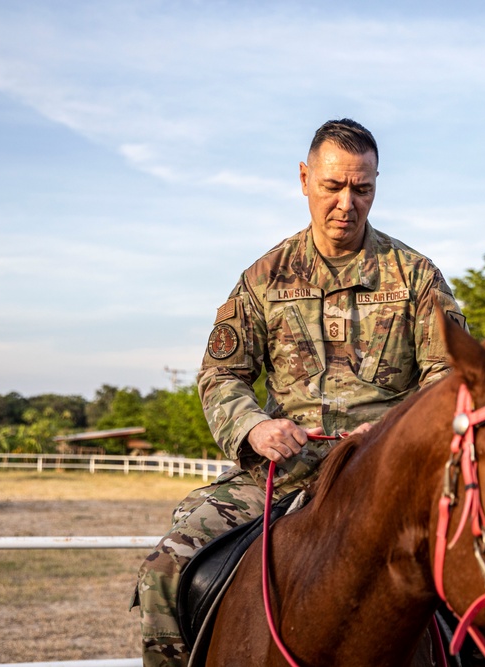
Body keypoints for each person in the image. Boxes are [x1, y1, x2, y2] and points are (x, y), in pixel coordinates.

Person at [134, 118, 466, 667]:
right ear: (305, 179)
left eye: (363, 188)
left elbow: (450, 379)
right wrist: (255, 427)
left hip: (387, 479)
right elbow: (221, 375)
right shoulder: (264, 277)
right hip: (283, 473)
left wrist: (388, 435)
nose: (347, 203)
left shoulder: (417, 277)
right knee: (165, 572)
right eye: (333, 186)